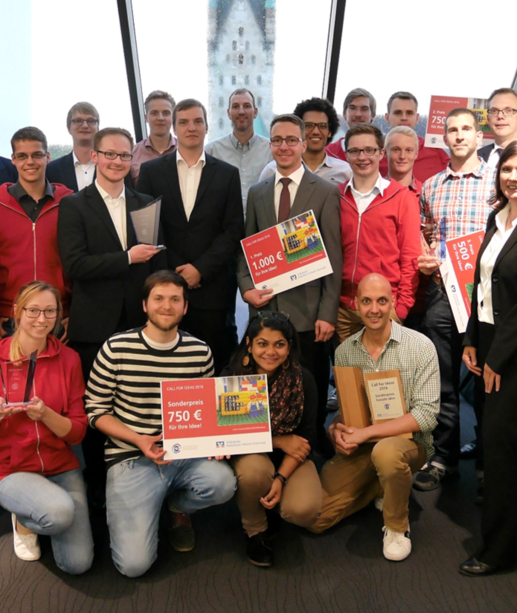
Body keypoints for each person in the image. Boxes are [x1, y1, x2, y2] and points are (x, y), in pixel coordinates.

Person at [85, 271, 236, 577]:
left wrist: (215, 442)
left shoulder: (200, 351)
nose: (166, 306)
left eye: (174, 300)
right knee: (133, 566)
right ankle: (151, 504)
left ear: (185, 307)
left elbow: (206, 409)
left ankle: (177, 506)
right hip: (130, 458)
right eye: (159, 299)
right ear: (145, 305)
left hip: (183, 455)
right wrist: (138, 439)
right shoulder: (116, 348)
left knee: (223, 484)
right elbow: (95, 411)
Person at [57, 127, 166, 505]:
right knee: (97, 408)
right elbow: (74, 264)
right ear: (94, 157)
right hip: (95, 324)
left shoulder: (146, 202)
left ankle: (144, 480)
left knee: (140, 403)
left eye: (124, 156)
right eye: (110, 155)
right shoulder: (74, 205)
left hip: (140, 323)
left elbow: (157, 263)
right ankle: (97, 489)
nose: (118, 162)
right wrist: (126, 258)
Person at [459, 140, 517, 576]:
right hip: (494, 341)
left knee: (501, 449)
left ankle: (499, 550)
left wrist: (497, 356)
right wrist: (472, 339)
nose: (514, 177)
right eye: (508, 169)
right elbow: (484, 285)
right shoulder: (500, 218)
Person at [309, 274, 440, 563]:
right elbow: (346, 410)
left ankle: (396, 524)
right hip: (364, 444)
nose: (374, 309)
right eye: (366, 301)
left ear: (392, 302)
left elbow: (427, 415)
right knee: (317, 518)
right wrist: (335, 430)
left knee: (387, 453)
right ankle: (385, 483)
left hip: (408, 444)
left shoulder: (420, 346)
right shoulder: (345, 351)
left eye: (382, 301)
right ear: (355, 304)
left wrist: (366, 435)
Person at [0, 282, 93, 574]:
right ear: (16, 313)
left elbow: (77, 432)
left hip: (61, 464)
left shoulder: (69, 359)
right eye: (32, 310)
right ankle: (24, 519)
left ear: (59, 315)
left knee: (78, 564)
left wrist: (46, 414)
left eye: (50, 311)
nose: (41, 319)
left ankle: (45, 506)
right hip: (12, 469)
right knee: (60, 514)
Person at [238, 114, 342, 454]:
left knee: (308, 388)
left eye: (291, 140)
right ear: (270, 145)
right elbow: (247, 248)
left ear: (303, 144)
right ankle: (265, 451)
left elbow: (333, 257)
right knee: (264, 390)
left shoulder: (326, 192)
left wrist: (327, 313)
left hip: (309, 313)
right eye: (277, 140)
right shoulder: (257, 192)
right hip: (266, 309)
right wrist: (245, 286)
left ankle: (308, 456)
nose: (284, 146)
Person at [413, 108, 494, 493]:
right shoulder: (430, 187)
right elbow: (428, 238)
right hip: (443, 296)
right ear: (443, 138)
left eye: (467, 130)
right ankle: (442, 456)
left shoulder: (497, 182)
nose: (459, 136)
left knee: (484, 382)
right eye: (453, 130)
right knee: (442, 381)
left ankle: (485, 464)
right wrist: (428, 257)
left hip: (487, 296)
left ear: (479, 136)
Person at [137, 98, 243, 370]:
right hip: (164, 287)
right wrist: (172, 273)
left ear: (207, 127)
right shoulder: (151, 172)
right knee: (165, 364)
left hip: (212, 288)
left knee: (210, 363)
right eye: (183, 122)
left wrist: (200, 269)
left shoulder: (228, 174)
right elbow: (148, 229)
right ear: (174, 128)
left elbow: (233, 230)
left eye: (197, 121)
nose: (191, 128)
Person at [226, 312, 322, 567]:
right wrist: (279, 441)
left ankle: (273, 503)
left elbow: (306, 438)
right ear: (249, 344)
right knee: (254, 472)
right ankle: (255, 529)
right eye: (262, 343)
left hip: (291, 458)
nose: (271, 352)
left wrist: (281, 478)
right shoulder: (233, 377)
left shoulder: (303, 379)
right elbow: (228, 434)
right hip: (250, 455)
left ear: (289, 347)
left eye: (279, 344)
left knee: (304, 509)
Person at [0, 126, 72, 355]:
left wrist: (75, 314)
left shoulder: (70, 203)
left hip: (58, 317)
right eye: (22, 156)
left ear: (47, 157)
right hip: (7, 320)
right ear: (13, 159)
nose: (29, 162)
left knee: (58, 388)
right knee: (7, 390)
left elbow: (80, 263)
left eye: (37, 155)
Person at [336, 124, 421, 343]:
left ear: (381, 153)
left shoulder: (402, 197)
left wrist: (401, 309)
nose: (362, 157)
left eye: (369, 150)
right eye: (354, 151)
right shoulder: (336, 197)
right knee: (347, 377)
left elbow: (411, 257)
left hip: (384, 308)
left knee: (382, 377)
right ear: (346, 155)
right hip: (343, 310)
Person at [258, 97, 351, 185]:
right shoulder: (272, 170)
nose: (315, 132)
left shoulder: (346, 172)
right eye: (308, 125)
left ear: (330, 131)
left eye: (322, 126)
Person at [204, 88, 270, 209]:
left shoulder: (271, 150)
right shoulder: (211, 151)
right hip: (224, 225)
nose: (241, 111)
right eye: (235, 106)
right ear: (228, 113)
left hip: (262, 224)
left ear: (255, 112)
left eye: (246, 106)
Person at [383, 91, 449, 181]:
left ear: (417, 118)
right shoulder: (374, 150)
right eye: (398, 113)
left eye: (409, 113)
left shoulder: (435, 151)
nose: (404, 118)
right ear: (387, 117)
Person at [46, 102, 100, 192]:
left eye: (91, 121)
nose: (85, 125)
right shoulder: (51, 170)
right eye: (78, 121)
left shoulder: (111, 167)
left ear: (98, 128)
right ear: (68, 128)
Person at [130, 90, 178, 181]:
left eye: (166, 113)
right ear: (146, 118)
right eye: (154, 113)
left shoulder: (185, 151)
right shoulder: (133, 153)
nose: (160, 118)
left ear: (173, 117)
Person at [325, 88, 377, 162]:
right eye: (352, 108)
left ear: (373, 115)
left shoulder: (385, 157)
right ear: (344, 114)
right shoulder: (327, 153)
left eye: (364, 109)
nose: (358, 114)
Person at [385, 126, 422, 198]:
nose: (402, 156)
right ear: (385, 153)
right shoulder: (372, 191)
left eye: (408, 150)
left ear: (416, 154)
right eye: (396, 150)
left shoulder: (425, 193)